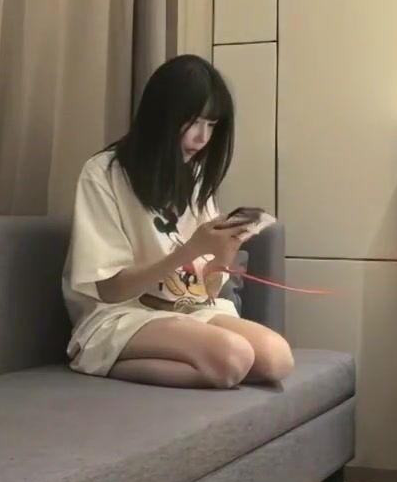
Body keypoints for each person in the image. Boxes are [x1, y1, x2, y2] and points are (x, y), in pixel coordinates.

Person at [62, 55, 294, 388]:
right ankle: (95, 359)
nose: (203, 138)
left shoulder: (195, 176)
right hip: (121, 314)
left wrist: (223, 255)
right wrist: (188, 251)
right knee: (231, 358)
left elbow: (208, 289)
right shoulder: (103, 174)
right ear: (162, 117)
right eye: (195, 122)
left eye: (212, 126)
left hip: (188, 310)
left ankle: (209, 363)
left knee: (277, 358)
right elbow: (110, 290)